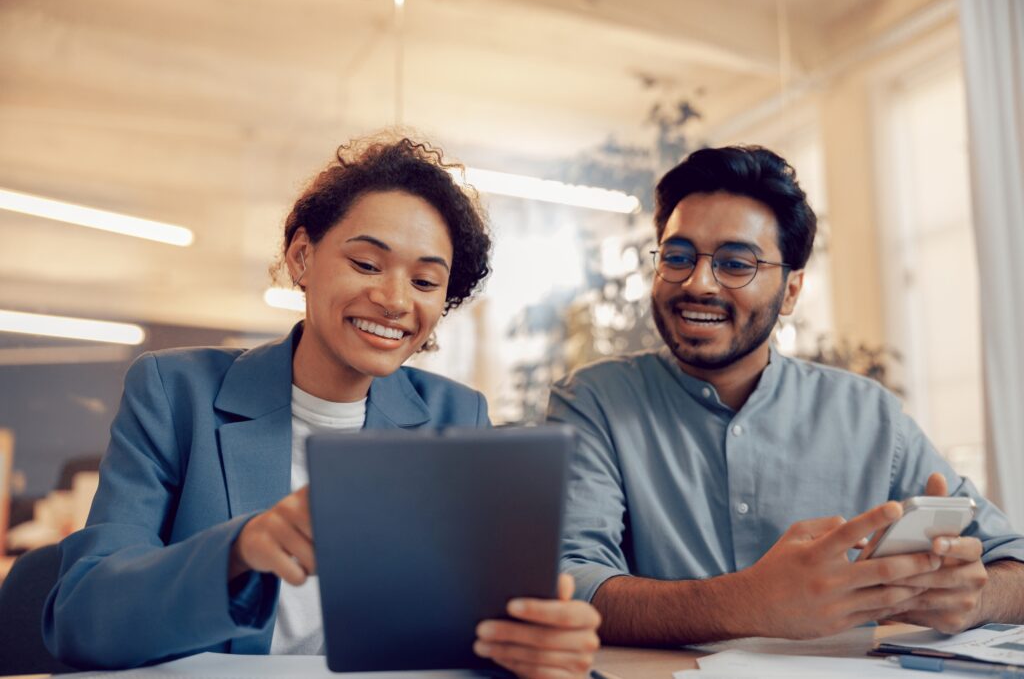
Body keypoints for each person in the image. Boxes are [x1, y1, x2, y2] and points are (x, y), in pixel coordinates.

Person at [44, 135, 601, 674]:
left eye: (426, 281)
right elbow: (82, 617)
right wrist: (239, 550)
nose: (395, 300)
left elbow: (469, 631)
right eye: (366, 264)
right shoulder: (175, 391)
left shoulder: (459, 416)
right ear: (302, 257)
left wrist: (536, 641)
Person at [548, 145, 1024, 646]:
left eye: (735, 263)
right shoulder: (594, 401)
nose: (698, 282)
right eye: (677, 256)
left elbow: (1013, 567)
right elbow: (567, 585)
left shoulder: (869, 415)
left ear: (791, 291)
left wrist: (973, 597)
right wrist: (746, 602)